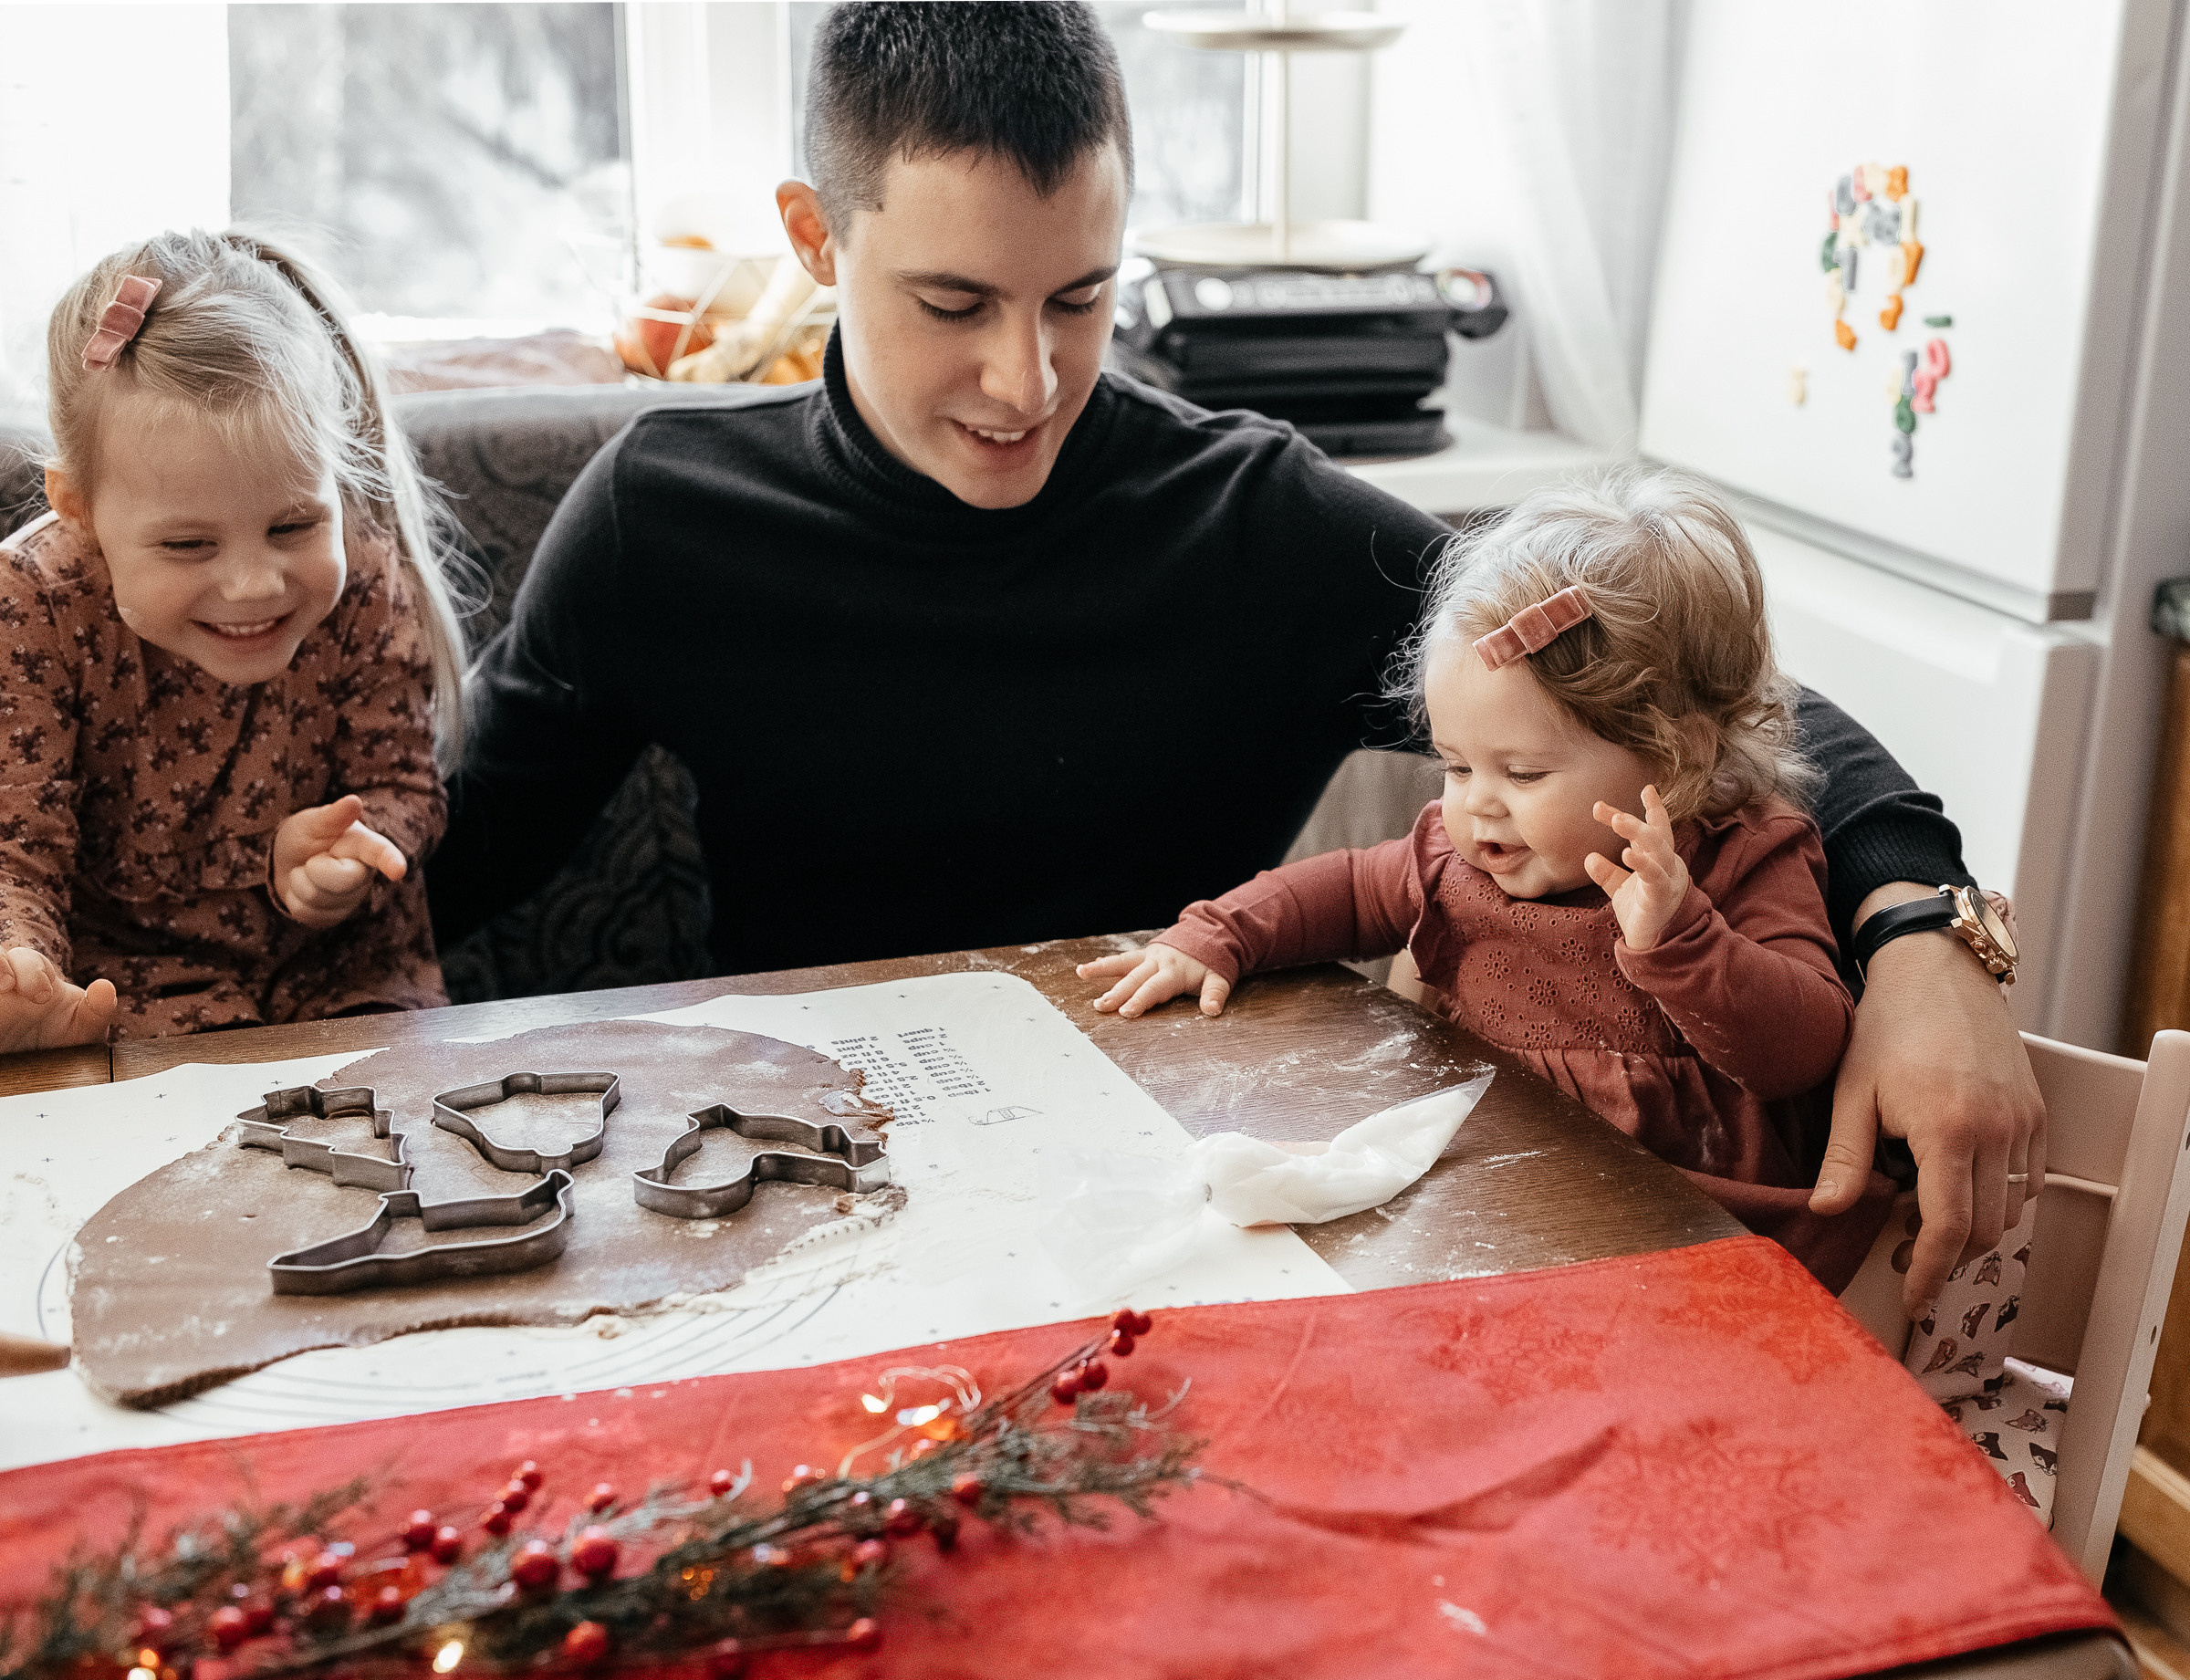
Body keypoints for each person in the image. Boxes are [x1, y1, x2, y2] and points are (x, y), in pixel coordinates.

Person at [431, 1, 2040, 1317]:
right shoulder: (663, 514)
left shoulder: (1250, 520)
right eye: (953, 301)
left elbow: (1709, 697)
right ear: (811, 236)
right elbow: (459, 855)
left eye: (1082, 296)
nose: (1027, 378)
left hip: (1175, 1203)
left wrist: (1918, 933)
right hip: (785, 1183)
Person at [1079, 471, 1886, 1283]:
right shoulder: (1457, 856)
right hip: (1493, 1203)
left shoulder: (1745, 860)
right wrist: (1220, 935)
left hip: (1688, 1236)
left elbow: (1804, 1051)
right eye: (1458, 766)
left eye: (1523, 774)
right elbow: (1349, 889)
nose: (1477, 808)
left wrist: (1685, 942)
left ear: (1677, 758)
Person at [0, 229, 464, 1049]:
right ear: (79, 508)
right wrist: (22, 968)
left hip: (348, 988)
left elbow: (404, 783)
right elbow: (15, 847)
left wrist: (352, 856)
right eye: (189, 545)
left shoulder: (362, 570)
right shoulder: (31, 599)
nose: (256, 583)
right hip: (128, 1004)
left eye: (293, 524)